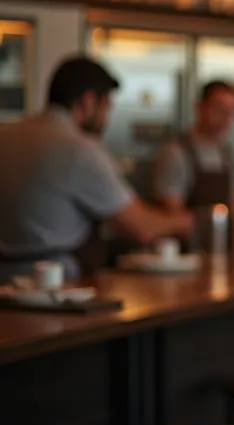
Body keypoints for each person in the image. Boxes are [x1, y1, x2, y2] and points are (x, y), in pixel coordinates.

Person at [0, 55, 194, 282]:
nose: (106, 119)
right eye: (106, 107)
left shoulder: (6, 134)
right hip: (56, 283)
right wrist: (186, 221)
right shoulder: (79, 149)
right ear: (88, 101)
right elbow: (142, 227)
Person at [152, 80, 234, 214]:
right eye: (220, 109)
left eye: (232, 112)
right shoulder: (175, 153)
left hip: (222, 227)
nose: (226, 118)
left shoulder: (230, 154)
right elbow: (171, 209)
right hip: (186, 228)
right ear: (200, 107)